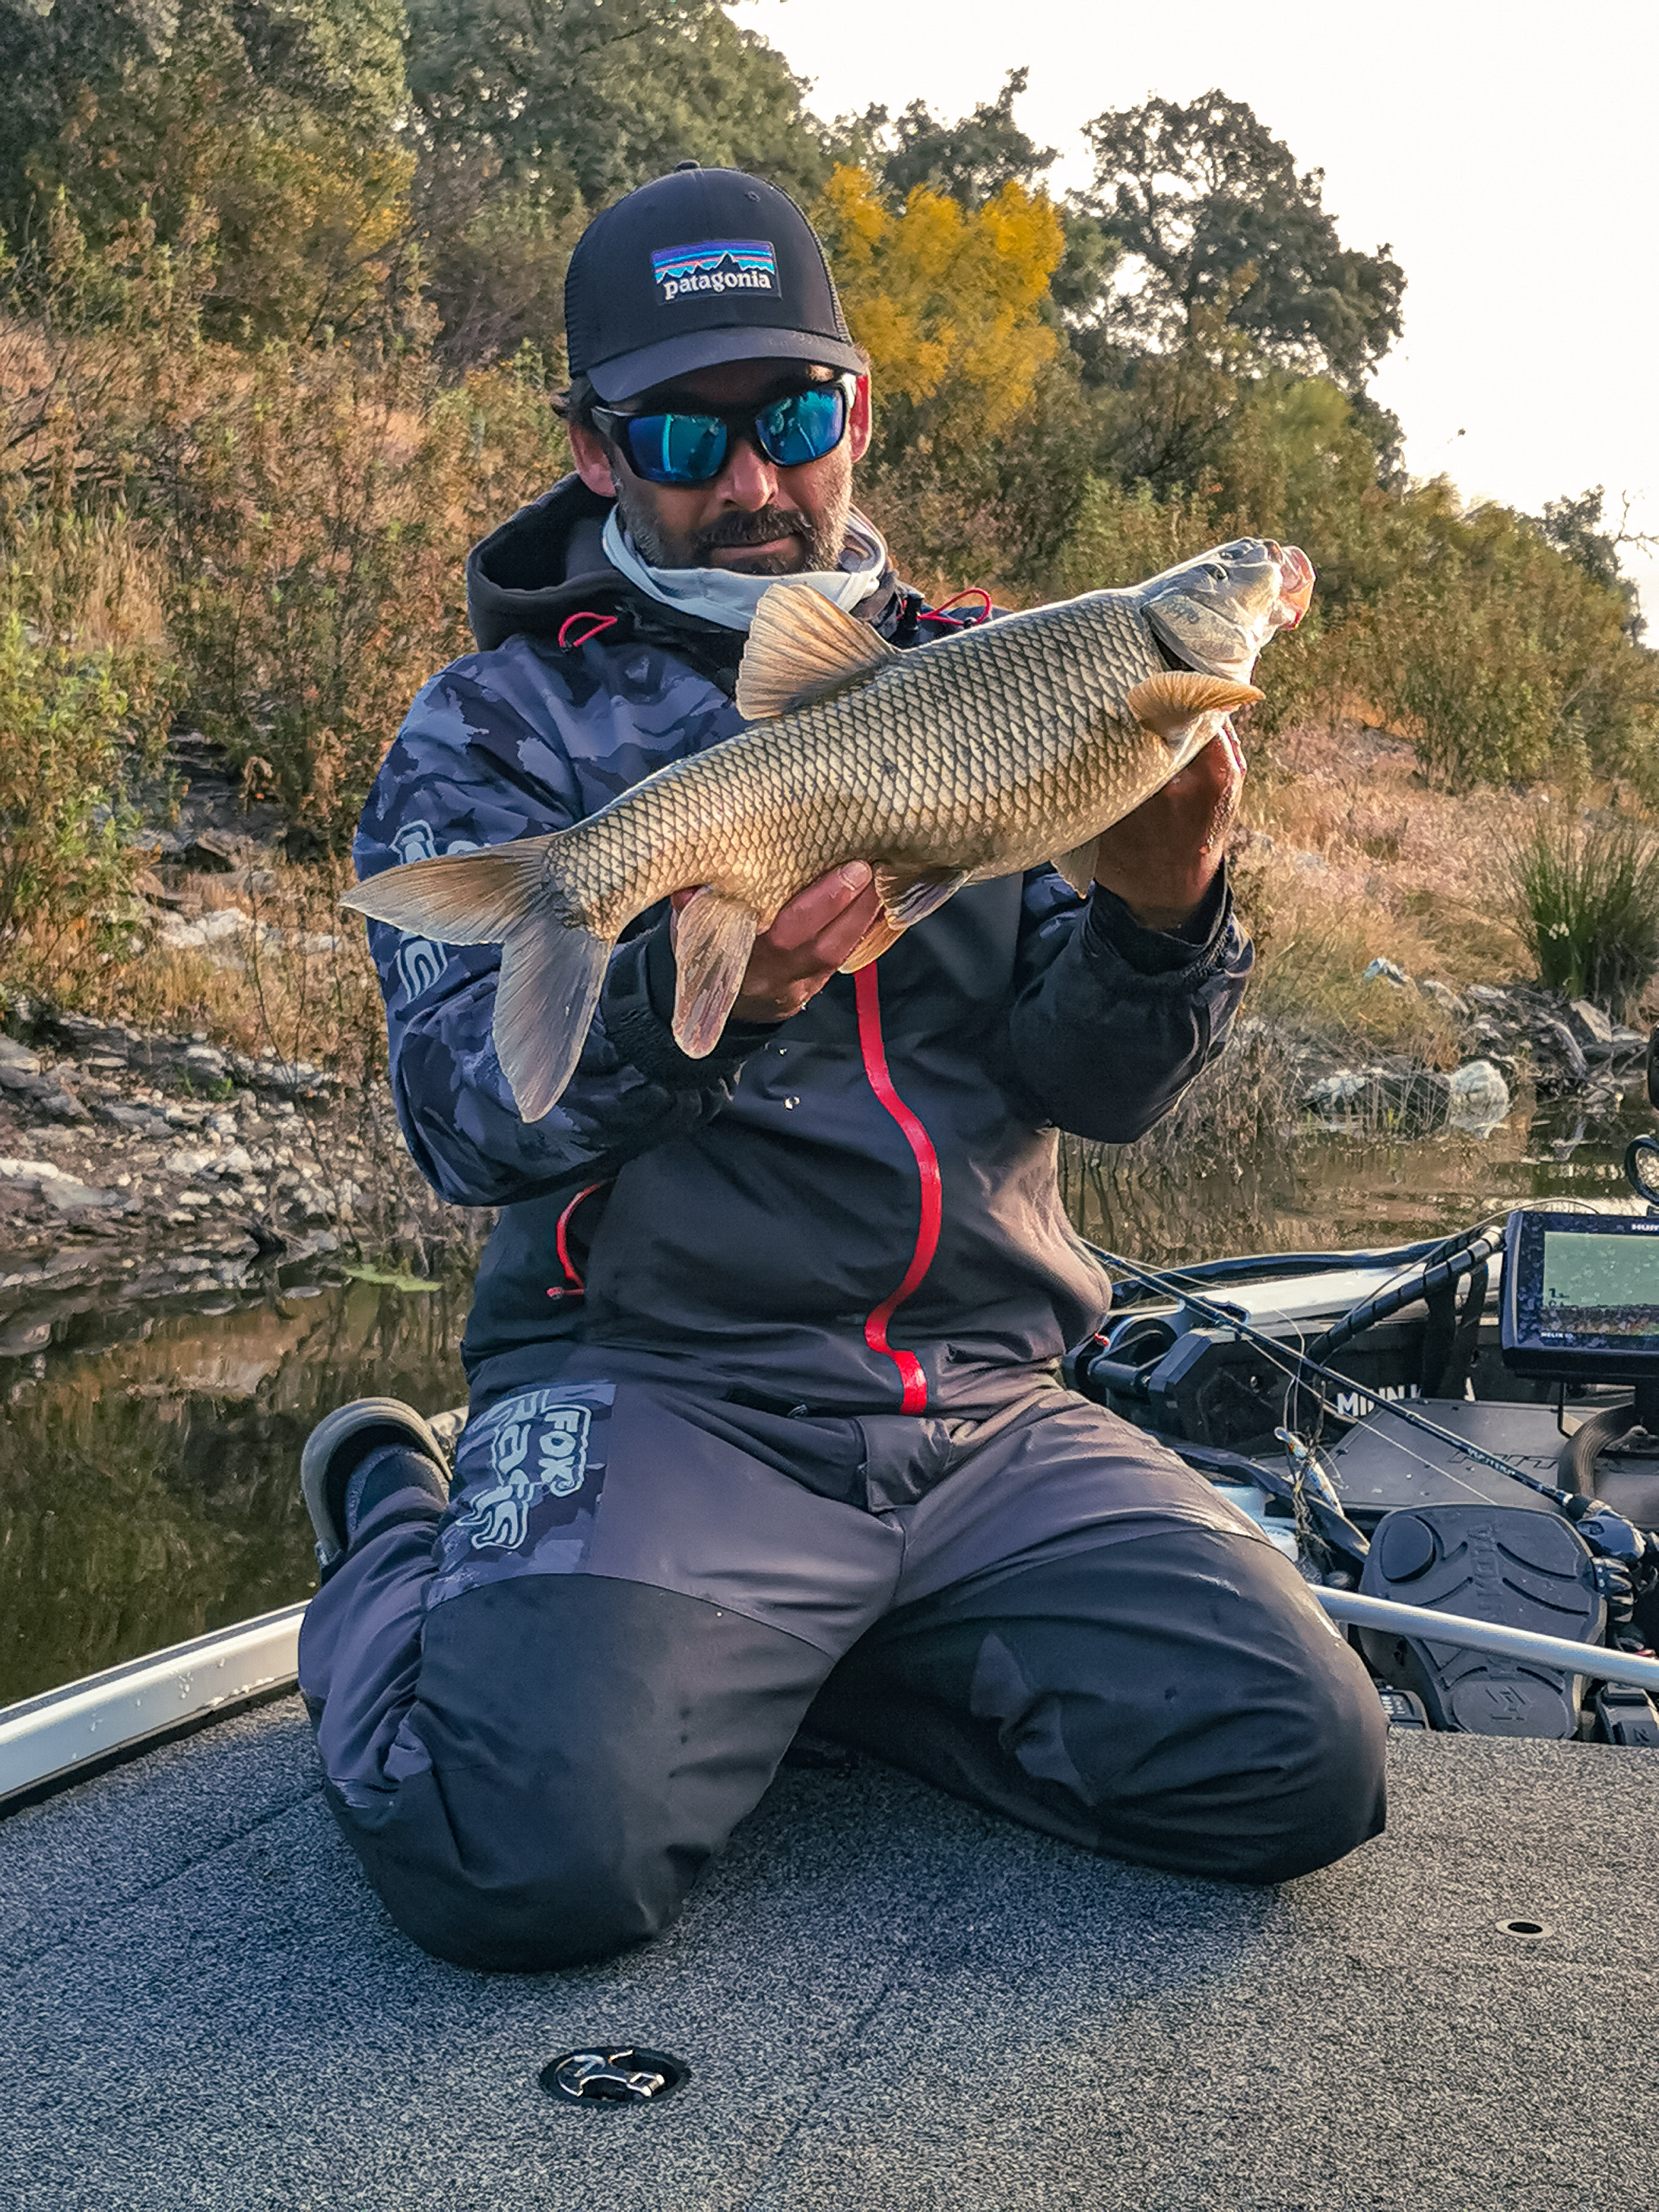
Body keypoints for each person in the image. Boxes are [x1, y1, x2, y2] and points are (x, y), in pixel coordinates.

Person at [297, 164, 1386, 1972]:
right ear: (593, 448)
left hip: (979, 1406)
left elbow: (1096, 1088)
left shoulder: (1012, 674)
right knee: (523, 1859)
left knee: (1300, 1767)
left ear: (856, 412)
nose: (752, 482)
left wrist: (1164, 908)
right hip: (667, 1394)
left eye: (795, 420)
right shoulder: (499, 726)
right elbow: (460, 1123)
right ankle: (391, 1512)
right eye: (683, 432)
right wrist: (709, 998)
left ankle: (788, 1666)